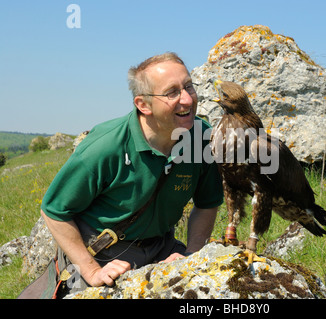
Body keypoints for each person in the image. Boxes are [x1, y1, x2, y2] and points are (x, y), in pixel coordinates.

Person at [40, 52, 223, 295]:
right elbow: (54, 210)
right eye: (172, 92)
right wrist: (92, 270)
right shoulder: (106, 146)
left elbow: (207, 202)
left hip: (161, 247)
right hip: (99, 252)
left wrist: (191, 254)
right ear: (143, 105)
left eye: (189, 86)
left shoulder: (201, 137)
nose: (188, 99)